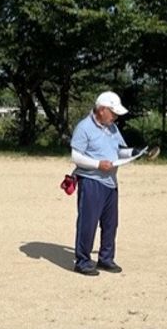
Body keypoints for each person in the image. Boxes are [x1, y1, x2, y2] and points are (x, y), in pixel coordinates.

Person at [70, 91, 139, 276]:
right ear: (101, 110)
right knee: (88, 222)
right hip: (91, 181)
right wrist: (98, 164)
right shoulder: (83, 128)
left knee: (110, 223)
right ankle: (83, 261)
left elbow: (119, 150)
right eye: (113, 112)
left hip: (111, 182)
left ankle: (106, 259)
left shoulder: (112, 128)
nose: (115, 116)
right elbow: (75, 156)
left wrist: (135, 152)